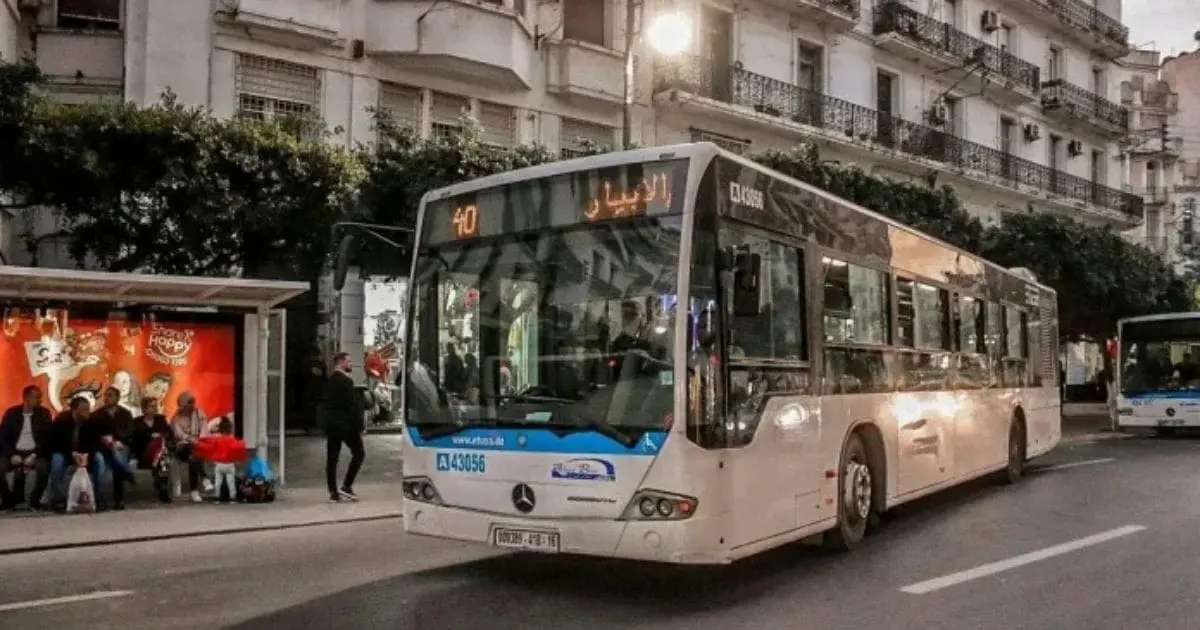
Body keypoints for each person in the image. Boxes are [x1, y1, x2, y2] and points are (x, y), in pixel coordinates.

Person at [321, 351, 366, 502]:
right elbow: (353, 406)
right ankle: (347, 485)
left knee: (332, 458)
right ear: (340, 362)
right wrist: (360, 427)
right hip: (346, 426)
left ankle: (333, 492)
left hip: (332, 425)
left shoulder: (329, 381)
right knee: (359, 453)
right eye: (348, 361)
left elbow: (324, 404)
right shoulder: (346, 382)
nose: (350, 364)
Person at [0, 385, 53, 510]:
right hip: (14, 452)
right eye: (37, 397)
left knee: (44, 468)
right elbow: (2, 437)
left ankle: (35, 501)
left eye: (40, 397)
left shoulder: (44, 414)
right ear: (25, 398)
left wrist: (34, 455)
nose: (40, 400)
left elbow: (46, 439)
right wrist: (11, 454)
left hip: (35, 452)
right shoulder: (11, 413)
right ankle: (8, 500)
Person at [84, 387, 137, 510]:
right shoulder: (97, 415)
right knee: (112, 459)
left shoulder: (125, 413)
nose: (107, 398)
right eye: (105, 395)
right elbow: (94, 435)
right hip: (104, 447)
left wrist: (118, 440)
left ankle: (119, 499)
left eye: (110, 395)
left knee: (117, 456)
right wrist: (107, 440)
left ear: (117, 398)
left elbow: (130, 432)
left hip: (122, 445)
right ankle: (127, 474)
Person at [46, 396, 91, 512]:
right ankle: (58, 499)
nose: (88, 412)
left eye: (88, 409)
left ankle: (93, 499)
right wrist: (72, 453)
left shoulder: (89, 422)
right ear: (75, 410)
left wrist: (85, 454)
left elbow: (93, 442)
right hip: (64, 452)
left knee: (99, 460)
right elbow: (55, 443)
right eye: (85, 409)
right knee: (57, 461)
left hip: (82, 454)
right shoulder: (61, 420)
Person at [171, 391, 214, 503]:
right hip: (182, 447)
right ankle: (204, 479)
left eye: (193, 402)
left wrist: (199, 441)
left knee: (193, 458)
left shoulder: (199, 413)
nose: (192, 405)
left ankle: (195, 491)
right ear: (183, 405)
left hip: (198, 445)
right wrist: (191, 440)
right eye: (190, 402)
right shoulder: (176, 418)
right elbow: (180, 435)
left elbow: (204, 430)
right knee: (191, 450)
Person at [132, 396, 174, 503]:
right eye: (151, 406)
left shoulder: (161, 420)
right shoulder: (136, 423)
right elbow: (135, 442)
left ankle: (163, 488)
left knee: (162, 454)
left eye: (155, 406)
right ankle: (161, 486)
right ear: (144, 409)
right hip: (145, 454)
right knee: (162, 455)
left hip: (160, 454)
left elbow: (169, 435)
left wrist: (160, 436)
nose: (154, 409)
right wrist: (150, 437)